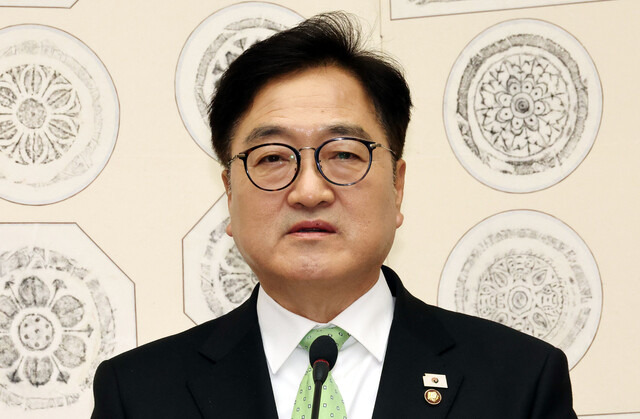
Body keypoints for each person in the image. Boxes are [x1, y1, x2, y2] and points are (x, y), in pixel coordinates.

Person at [91, 12, 577, 419]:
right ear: (229, 195)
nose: (309, 191)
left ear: (397, 187)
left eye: (343, 154)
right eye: (272, 157)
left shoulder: (519, 381)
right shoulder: (138, 393)